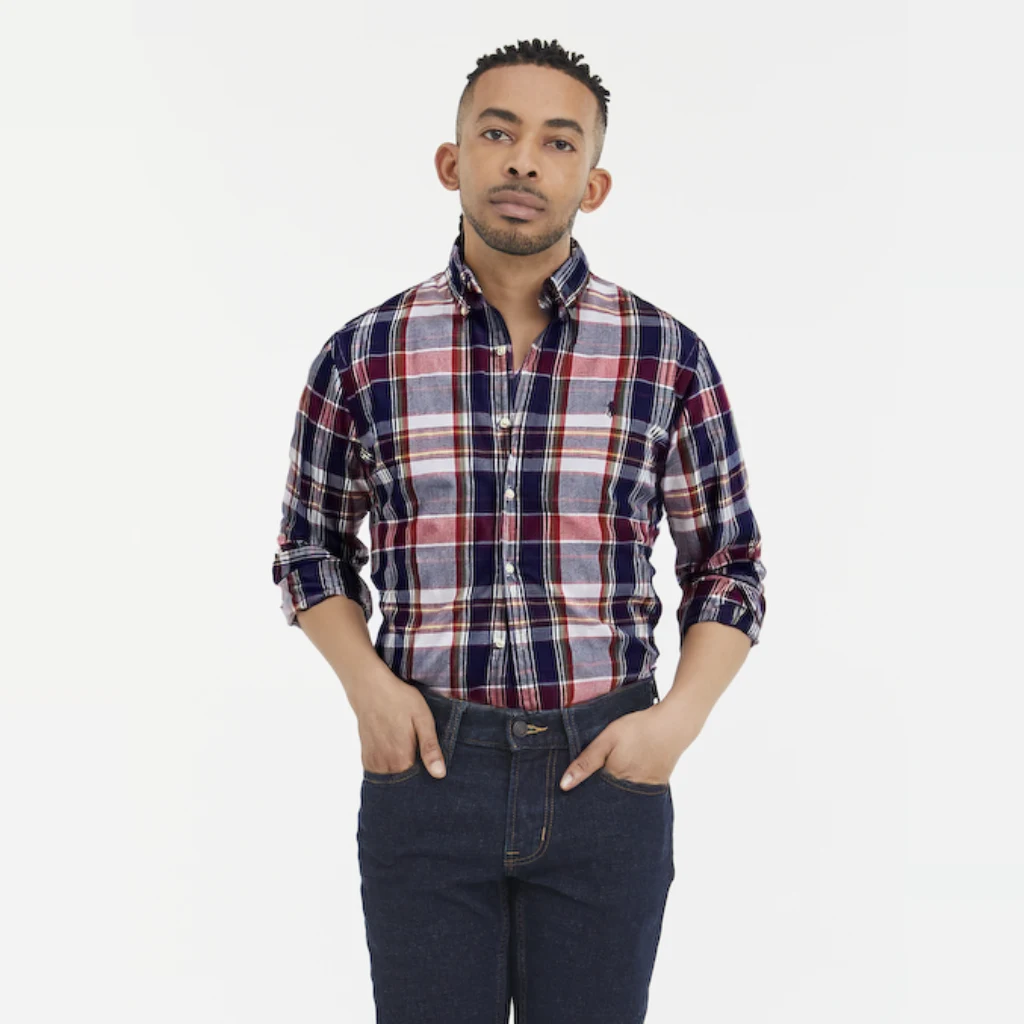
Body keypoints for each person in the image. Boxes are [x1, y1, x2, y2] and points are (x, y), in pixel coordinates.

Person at [271, 36, 767, 1024]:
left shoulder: (666, 356)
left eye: (557, 141)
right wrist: (368, 690)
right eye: (497, 134)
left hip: (606, 772)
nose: (524, 162)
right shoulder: (364, 355)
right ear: (450, 161)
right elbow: (309, 549)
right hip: (426, 769)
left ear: (594, 183)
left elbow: (728, 564)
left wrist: (673, 726)